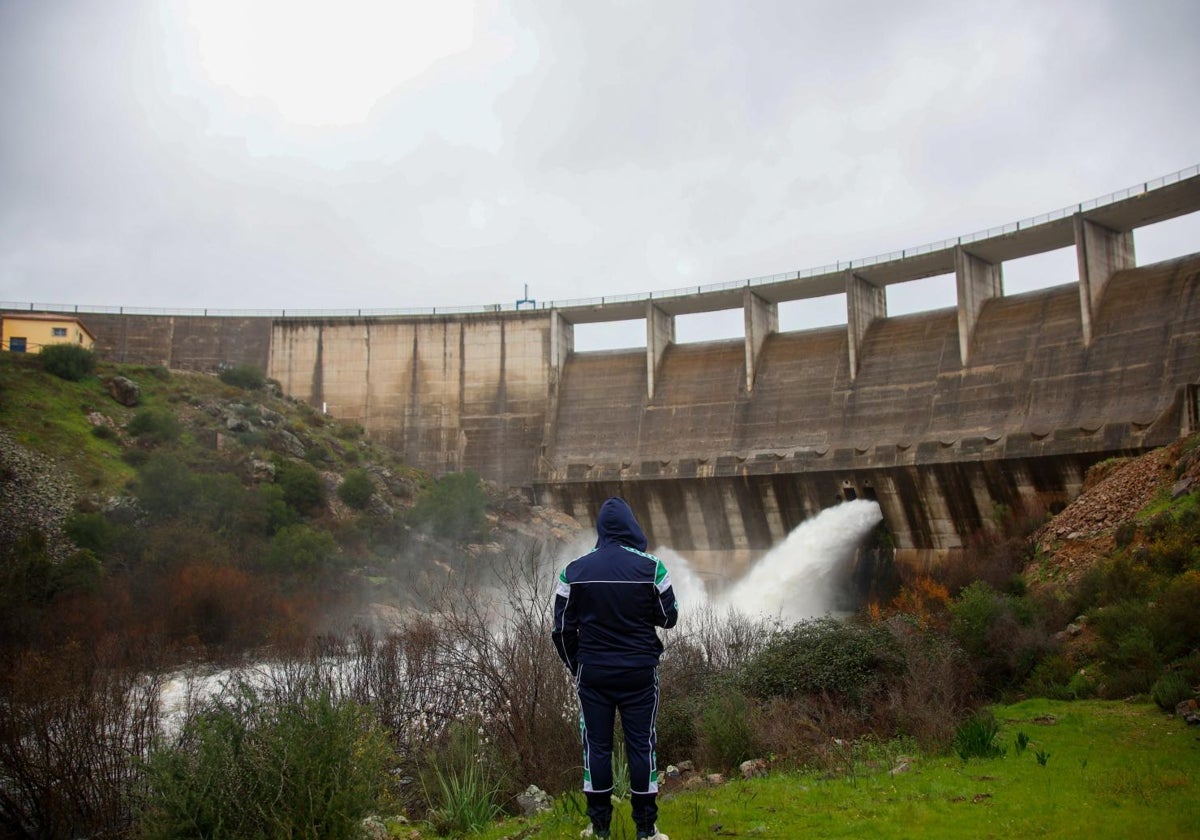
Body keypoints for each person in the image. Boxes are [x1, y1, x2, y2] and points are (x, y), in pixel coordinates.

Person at [552, 497, 679, 840]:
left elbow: (561, 629)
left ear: (602, 529)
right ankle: (645, 830)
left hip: (593, 674)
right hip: (640, 673)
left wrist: (576, 665)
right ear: (631, 525)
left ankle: (600, 829)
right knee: (641, 746)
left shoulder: (574, 570)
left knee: (597, 747)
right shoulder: (653, 568)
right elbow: (669, 617)